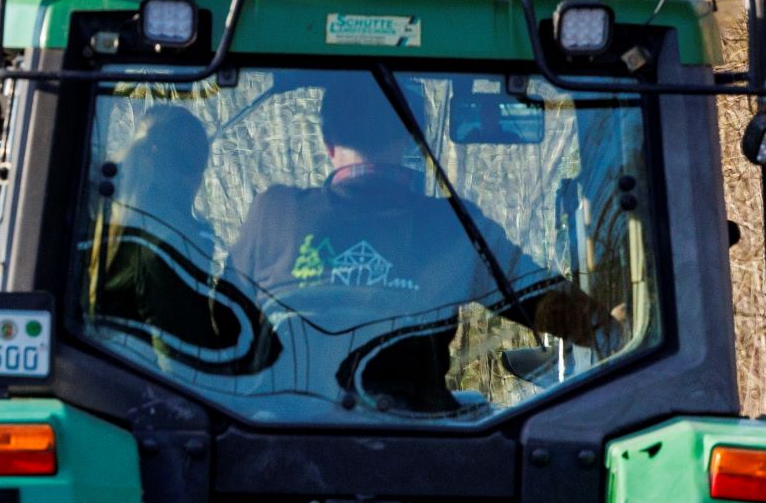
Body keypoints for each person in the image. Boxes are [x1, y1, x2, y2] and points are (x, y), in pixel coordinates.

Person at [224, 79, 600, 408]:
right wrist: (610, 323)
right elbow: (547, 305)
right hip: (415, 435)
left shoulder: (274, 213)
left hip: (278, 435)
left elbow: (222, 326)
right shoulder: (452, 226)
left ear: (327, 141)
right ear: (410, 138)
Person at [86, 110, 255, 354]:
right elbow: (180, 357)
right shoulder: (173, 242)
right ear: (193, 174)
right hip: (131, 380)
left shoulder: (97, 212)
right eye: (201, 166)